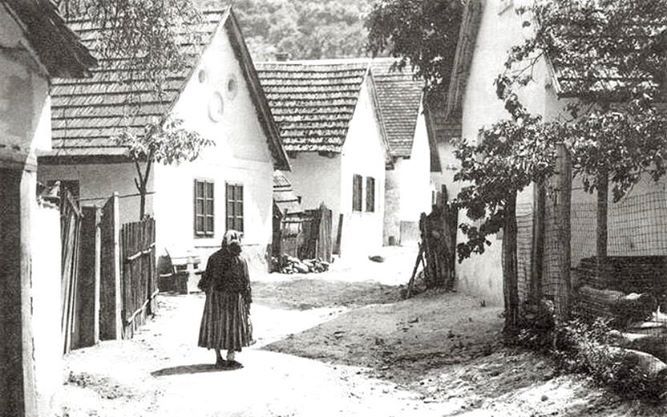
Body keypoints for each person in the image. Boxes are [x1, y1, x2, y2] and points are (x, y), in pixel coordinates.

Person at [198, 231, 252, 369]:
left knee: (217, 327)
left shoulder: (214, 258)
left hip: (216, 298)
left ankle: (219, 358)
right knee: (233, 327)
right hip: (233, 299)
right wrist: (247, 301)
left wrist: (209, 293)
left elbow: (205, 280)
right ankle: (230, 357)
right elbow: (246, 283)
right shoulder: (240, 260)